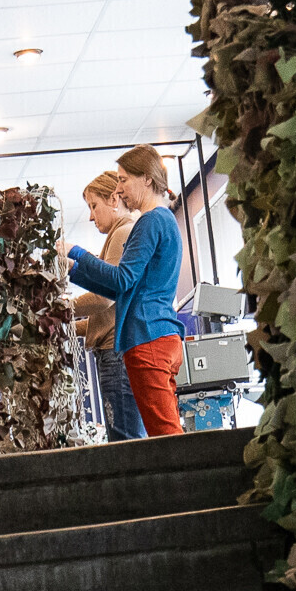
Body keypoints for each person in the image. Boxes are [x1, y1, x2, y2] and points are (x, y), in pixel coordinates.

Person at [59, 145, 187, 436]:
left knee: (164, 436)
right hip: (160, 336)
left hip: (147, 338)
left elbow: (121, 280)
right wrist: (74, 268)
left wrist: (76, 252)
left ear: (147, 179)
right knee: (163, 432)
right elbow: (120, 288)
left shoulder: (150, 221)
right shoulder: (164, 220)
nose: (118, 189)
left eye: (123, 179)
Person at [71, 170, 147, 440]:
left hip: (117, 353)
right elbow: (106, 316)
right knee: (124, 436)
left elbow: (105, 298)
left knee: (124, 440)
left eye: (94, 206)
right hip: (114, 351)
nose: (91, 216)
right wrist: (64, 327)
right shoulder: (122, 234)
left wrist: (59, 311)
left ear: (114, 199)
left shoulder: (124, 232)